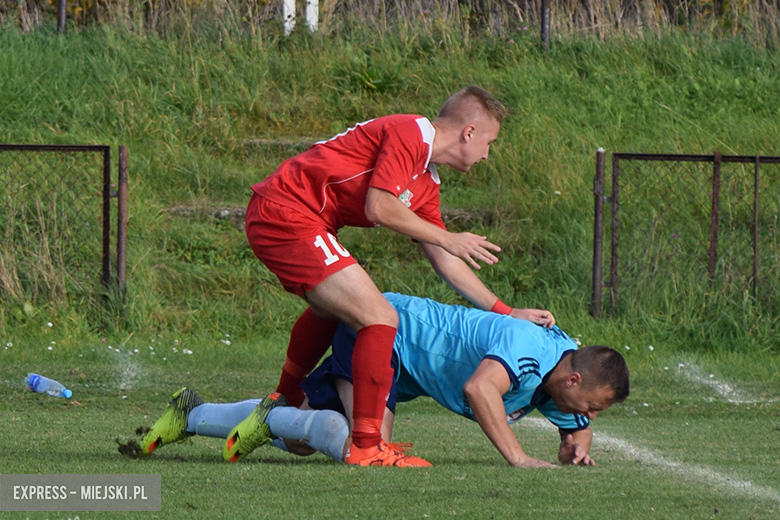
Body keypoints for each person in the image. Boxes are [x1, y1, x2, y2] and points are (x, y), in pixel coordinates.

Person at [244, 85, 555, 466]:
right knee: (380, 317)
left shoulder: (427, 181)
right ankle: (367, 445)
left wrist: (507, 312)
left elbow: (446, 258)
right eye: (489, 142)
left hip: (304, 219)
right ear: (468, 132)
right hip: (287, 213)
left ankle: (282, 400)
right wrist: (448, 237)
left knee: (334, 312)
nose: (488, 154)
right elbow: (380, 207)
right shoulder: (411, 133)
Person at [135, 293, 629, 468]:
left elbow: (575, 421)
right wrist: (519, 458)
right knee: (362, 450)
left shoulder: (562, 373)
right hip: (385, 334)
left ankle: (191, 413)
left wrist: (577, 445)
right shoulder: (528, 352)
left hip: (403, 361)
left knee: (307, 439)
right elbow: (479, 389)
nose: (590, 416)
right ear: (574, 377)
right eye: (595, 405)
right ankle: (270, 418)